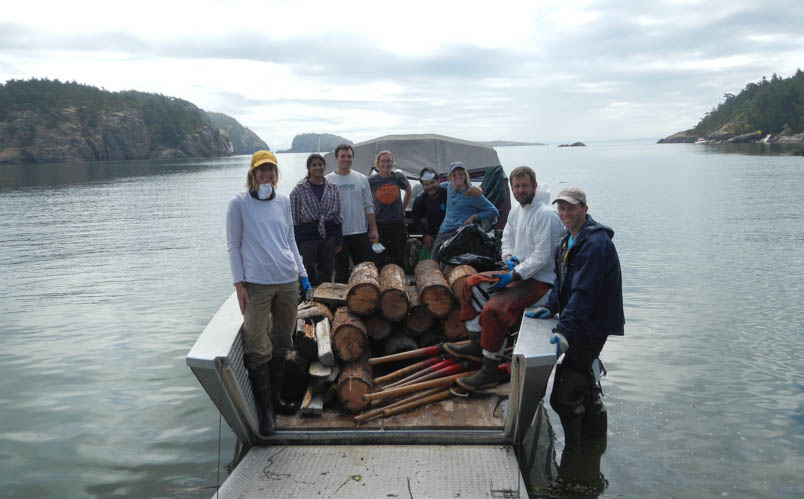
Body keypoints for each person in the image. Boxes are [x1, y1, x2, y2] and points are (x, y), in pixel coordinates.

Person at [445, 166, 563, 391]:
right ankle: (476, 343)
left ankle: (489, 370)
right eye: (516, 186)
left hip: (542, 282)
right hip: (519, 274)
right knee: (472, 284)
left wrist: (514, 274)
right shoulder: (516, 211)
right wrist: (509, 257)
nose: (520, 190)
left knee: (494, 308)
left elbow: (542, 257)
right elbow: (506, 239)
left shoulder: (546, 214)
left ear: (534, 187)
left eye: (524, 186)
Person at [529, 186, 624, 444]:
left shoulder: (594, 243)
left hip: (592, 325)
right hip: (580, 321)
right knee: (583, 384)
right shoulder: (567, 239)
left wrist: (564, 331)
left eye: (571, 207)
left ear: (585, 209)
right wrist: (550, 305)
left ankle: (577, 453)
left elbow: (584, 293)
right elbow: (562, 281)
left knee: (563, 396)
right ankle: (594, 443)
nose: (565, 212)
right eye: (561, 207)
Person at [225, 150, 311, 437]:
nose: (266, 174)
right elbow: (233, 246)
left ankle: (276, 398)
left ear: (276, 175)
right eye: (261, 170)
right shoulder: (239, 203)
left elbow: (290, 239)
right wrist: (239, 285)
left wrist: (303, 275)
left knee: (282, 340)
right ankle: (266, 412)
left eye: (271, 170)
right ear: (252, 173)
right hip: (257, 284)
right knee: (256, 346)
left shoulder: (284, 201)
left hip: (287, 279)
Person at [325, 144, 379, 282]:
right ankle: (341, 302)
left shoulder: (361, 179)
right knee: (341, 274)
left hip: (360, 232)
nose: (346, 159)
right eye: (342, 156)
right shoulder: (327, 180)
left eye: (349, 156)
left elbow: (368, 206)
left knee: (365, 271)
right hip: (338, 235)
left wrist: (373, 229)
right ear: (336, 158)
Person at [290, 153, 343, 285]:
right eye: (314, 165)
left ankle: (324, 302)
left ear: (324, 167)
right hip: (307, 237)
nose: (317, 168)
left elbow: (337, 215)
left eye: (320, 164)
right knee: (307, 271)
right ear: (308, 168)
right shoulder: (298, 190)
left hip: (329, 236)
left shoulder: (332, 188)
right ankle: (306, 299)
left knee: (327, 270)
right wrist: (295, 242)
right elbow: (294, 218)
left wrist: (339, 238)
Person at [431, 161, 499, 264]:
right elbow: (437, 187)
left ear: (465, 175)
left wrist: (475, 216)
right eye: (454, 174)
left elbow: (494, 211)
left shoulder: (472, 193)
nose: (457, 176)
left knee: (450, 264)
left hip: (459, 233)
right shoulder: (449, 186)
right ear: (449, 177)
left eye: (460, 173)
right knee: (434, 260)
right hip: (444, 230)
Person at [368, 150, 411, 267]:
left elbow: (408, 190)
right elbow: (364, 197)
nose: (386, 164)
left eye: (389, 161)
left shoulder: (397, 177)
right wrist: (370, 204)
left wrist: (402, 209)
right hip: (379, 223)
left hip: (397, 223)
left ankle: (398, 280)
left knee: (398, 254)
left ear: (392, 163)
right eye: (383, 161)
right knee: (379, 257)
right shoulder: (371, 180)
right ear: (378, 163)